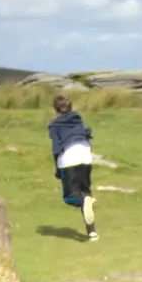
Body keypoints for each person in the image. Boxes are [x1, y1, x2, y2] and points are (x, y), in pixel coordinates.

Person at [48, 94, 98, 240]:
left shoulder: (54, 125)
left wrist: (58, 170)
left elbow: (56, 148)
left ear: (56, 109)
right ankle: (92, 232)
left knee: (70, 197)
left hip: (69, 159)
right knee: (85, 192)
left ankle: (84, 201)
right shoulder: (78, 119)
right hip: (85, 156)